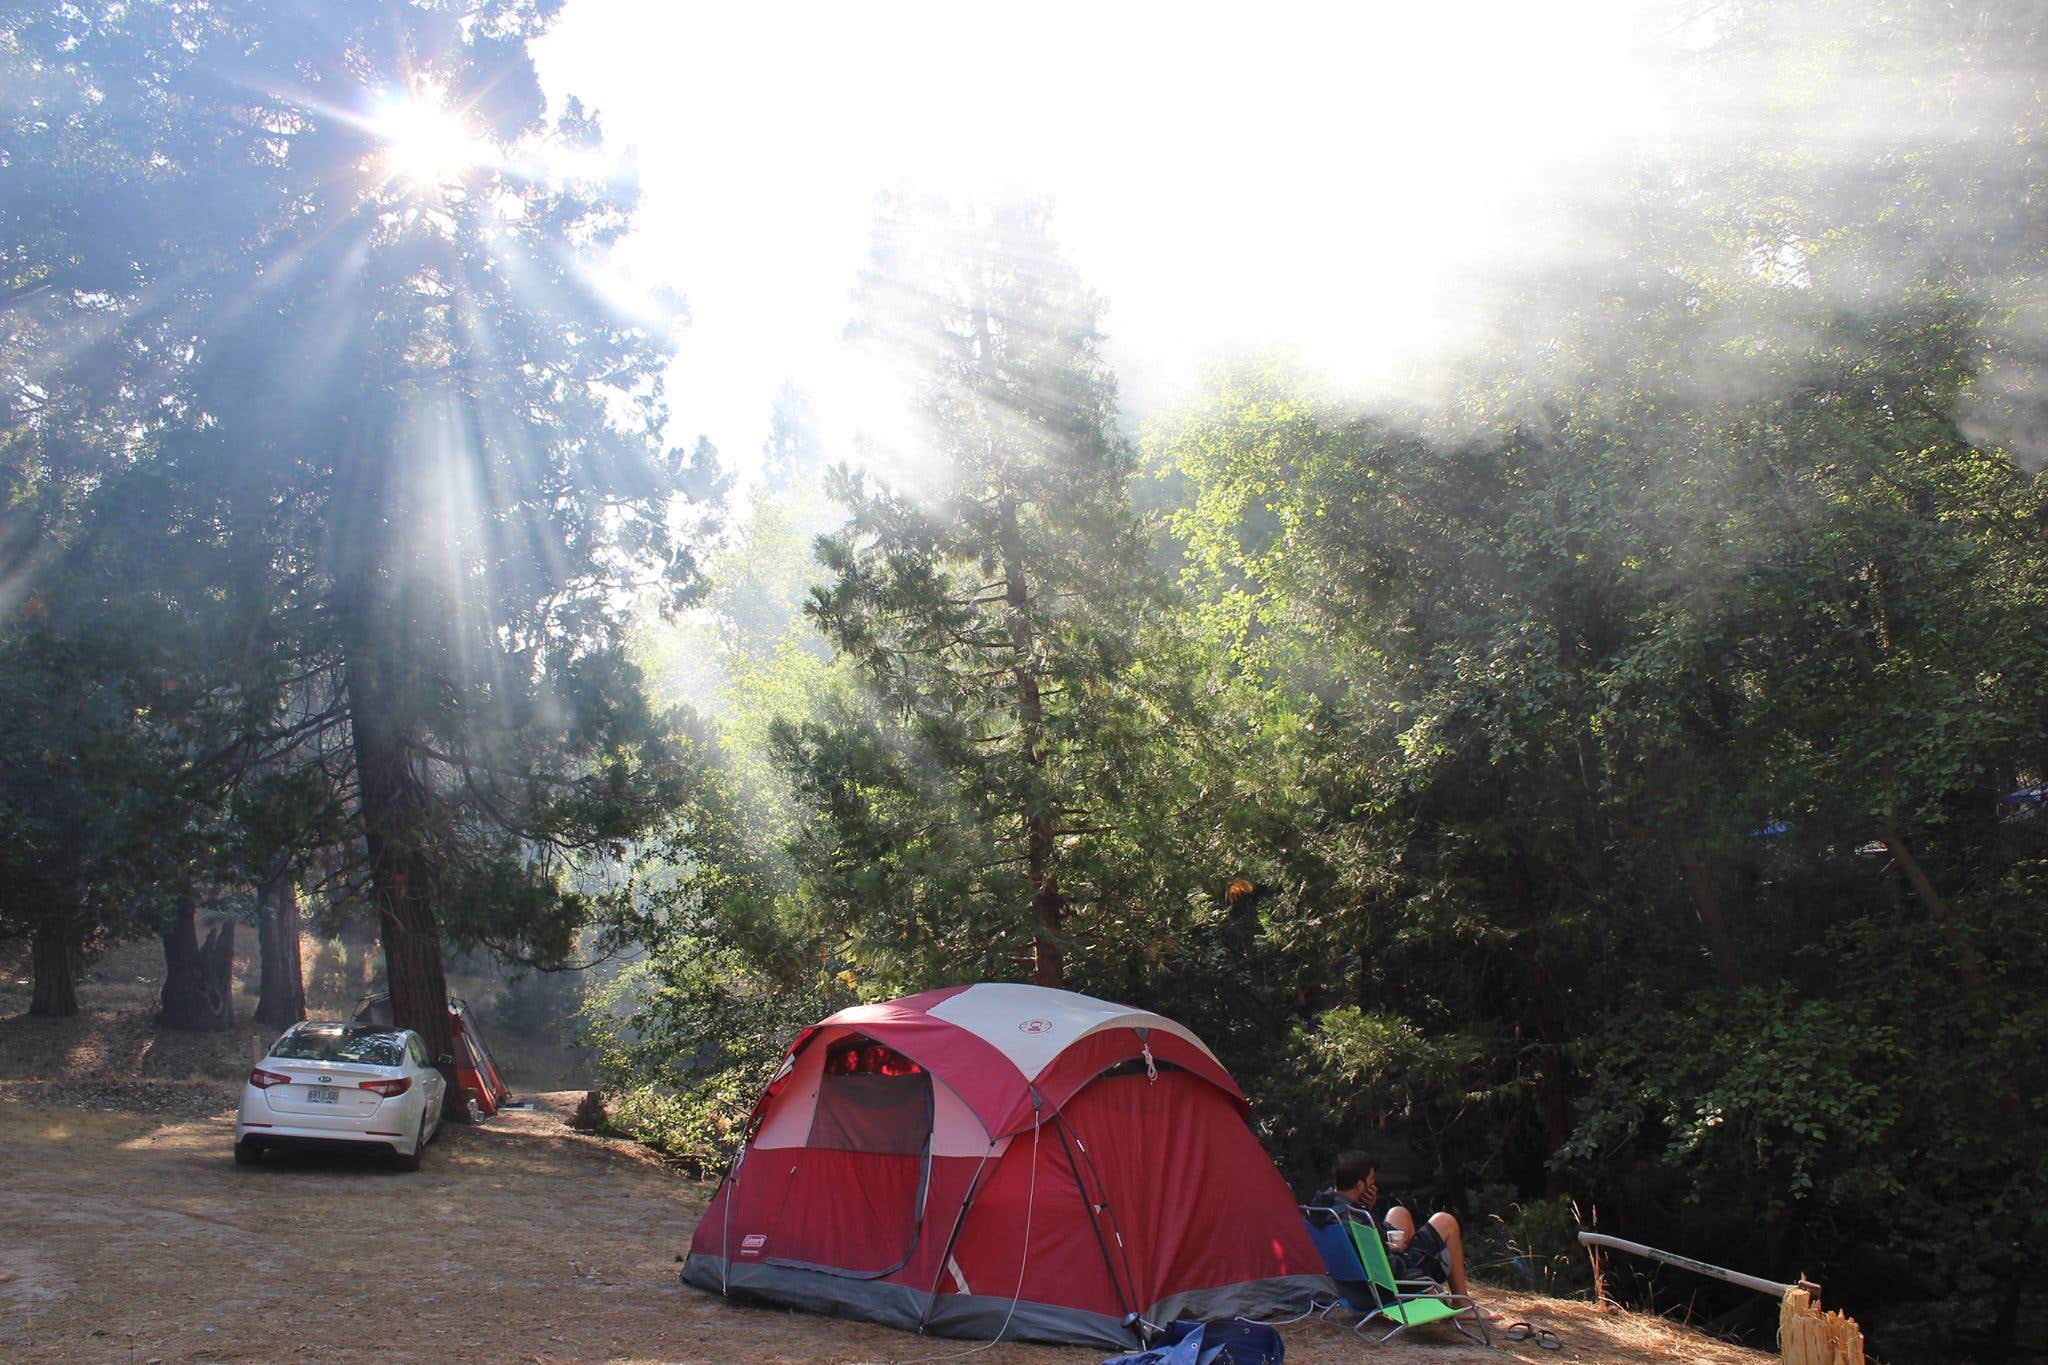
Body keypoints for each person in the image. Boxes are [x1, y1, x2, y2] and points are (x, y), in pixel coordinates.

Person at [1310, 1149, 1498, 1317]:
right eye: (1371, 1179)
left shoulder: (1324, 1209)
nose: (1373, 1183)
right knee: (1445, 1221)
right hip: (1383, 1289)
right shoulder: (1356, 1220)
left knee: (1398, 1213)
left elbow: (1363, 1248)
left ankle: (1438, 1294)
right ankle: (1462, 1303)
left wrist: (1365, 1209)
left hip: (1353, 1288)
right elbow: (1389, 1269)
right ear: (1359, 1185)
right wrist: (1397, 1250)